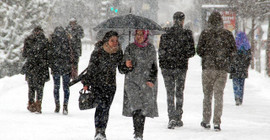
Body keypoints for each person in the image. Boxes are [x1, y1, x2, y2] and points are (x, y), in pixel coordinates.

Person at [196, 11, 237, 131]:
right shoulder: (227, 34)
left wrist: (207, 55)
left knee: (207, 95)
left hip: (208, 68)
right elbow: (233, 51)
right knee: (219, 96)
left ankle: (206, 120)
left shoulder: (205, 33)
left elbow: (199, 50)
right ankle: (217, 122)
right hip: (222, 69)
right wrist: (225, 59)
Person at [82, 31, 123, 140]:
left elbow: (121, 69)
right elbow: (91, 68)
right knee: (100, 107)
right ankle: (98, 131)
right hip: (97, 84)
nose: (115, 43)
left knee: (106, 109)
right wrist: (86, 83)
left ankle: (102, 131)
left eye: (116, 41)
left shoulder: (118, 52)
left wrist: (127, 65)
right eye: (112, 40)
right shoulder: (98, 51)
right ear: (107, 41)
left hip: (111, 85)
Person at [158, 11, 195, 129]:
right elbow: (192, 52)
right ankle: (178, 117)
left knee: (169, 92)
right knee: (179, 92)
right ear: (183, 20)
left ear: (173, 20)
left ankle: (171, 117)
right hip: (181, 67)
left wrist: (163, 63)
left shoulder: (166, 33)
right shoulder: (187, 34)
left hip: (167, 67)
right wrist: (182, 54)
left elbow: (161, 51)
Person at [121, 30, 158, 140]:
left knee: (143, 108)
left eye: (141, 34)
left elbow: (154, 66)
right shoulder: (129, 48)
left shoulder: (150, 48)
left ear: (146, 35)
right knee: (136, 107)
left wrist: (151, 79)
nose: (138, 37)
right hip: (131, 82)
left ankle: (139, 132)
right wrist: (126, 65)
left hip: (146, 82)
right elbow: (122, 69)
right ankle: (137, 133)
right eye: (137, 34)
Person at [22, 26, 50, 114]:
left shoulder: (28, 40)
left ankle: (31, 103)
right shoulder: (45, 41)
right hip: (42, 68)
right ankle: (38, 103)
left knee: (31, 87)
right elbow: (48, 55)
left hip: (31, 67)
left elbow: (24, 54)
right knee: (40, 87)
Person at [48, 26, 72, 115]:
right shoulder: (67, 40)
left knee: (56, 87)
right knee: (66, 88)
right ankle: (65, 105)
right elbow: (71, 53)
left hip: (56, 67)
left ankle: (57, 105)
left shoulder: (52, 40)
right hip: (66, 66)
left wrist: (51, 65)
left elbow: (49, 54)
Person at [230, 31, 252, 106]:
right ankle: (240, 98)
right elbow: (249, 58)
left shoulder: (234, 45)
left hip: (235, 69)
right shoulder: (247, 47)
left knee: (235, 84)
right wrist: (246, 66)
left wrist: (231, 65)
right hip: (243, 69)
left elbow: (231, 57)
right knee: (241, 84)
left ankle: (237, 97)